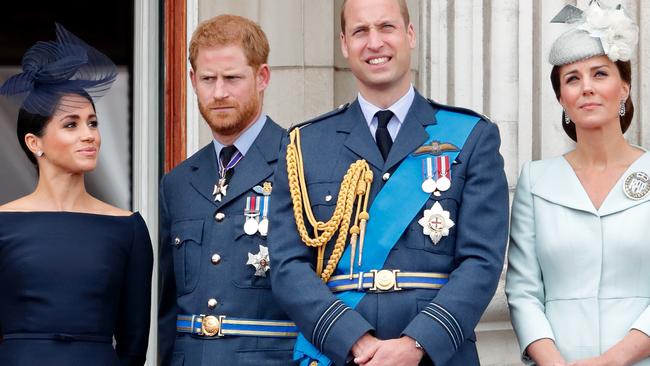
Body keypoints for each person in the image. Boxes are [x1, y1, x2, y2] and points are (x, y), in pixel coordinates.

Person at [268, 0, 509, 365]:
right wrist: (356, 341)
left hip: (434, 355)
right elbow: (287, 265)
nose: (374, 42)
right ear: (344, 44)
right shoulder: (305, 145)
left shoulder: (471, 136)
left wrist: (416, 345)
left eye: (386, 27)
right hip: (341, 354)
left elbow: (481, 261)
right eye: (360, 31)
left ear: (409, 35)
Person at [506, 2, 650, 365]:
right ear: (561, 99)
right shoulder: (536, 181)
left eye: (600, 74)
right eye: (572, 78)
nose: (586, 87)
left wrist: (612, 360)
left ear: (624, 88)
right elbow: (523, 291)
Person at [0, 24, 153, 366]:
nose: (89, 135)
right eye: (71, 124)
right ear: (34, 142)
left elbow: (134, 345)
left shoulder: (128, 229)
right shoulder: (2, 224)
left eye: (93, 123)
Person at [158, 14, 297, 366]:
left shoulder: (300, 163)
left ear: (261, 77)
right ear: (192, 80)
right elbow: (169, 310)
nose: (219, 93)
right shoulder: (177, 183)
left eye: (232, 78)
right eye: (208, 79)